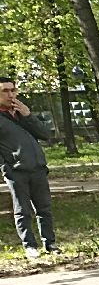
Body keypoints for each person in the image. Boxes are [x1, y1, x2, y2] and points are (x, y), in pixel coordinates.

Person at [0, 74, 57, 260]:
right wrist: (6, 168)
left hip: (38, 168)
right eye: (5, 91)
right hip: (16, 172)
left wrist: (28, 115)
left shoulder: (21, 114)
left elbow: (45, 134)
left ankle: (50, 243)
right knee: (23, 211)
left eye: (13, 90)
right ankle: (30, 246)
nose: (10, 95)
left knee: (44, 209)